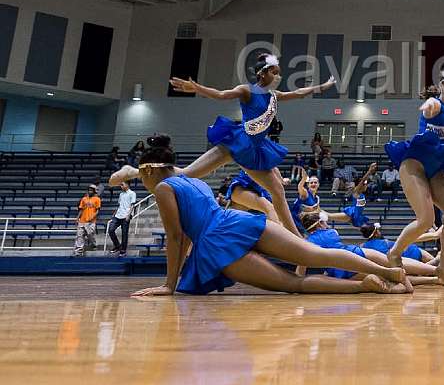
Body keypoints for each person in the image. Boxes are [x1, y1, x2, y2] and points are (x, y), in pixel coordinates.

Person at [129, 134, 407, 297]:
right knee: (313, 254)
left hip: (217, 242)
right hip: (236, 221)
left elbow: (178, 237)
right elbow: (186, 236)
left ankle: (364, 287)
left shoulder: (164, 188)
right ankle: (385, 271)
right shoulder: (196, 182)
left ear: (149, 170)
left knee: (294, 283)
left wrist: (169, 284)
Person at [112, 53, 334, 238]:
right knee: (188, 174)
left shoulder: (275, 96)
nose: (278, 76)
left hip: (255, 150)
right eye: (274, 72)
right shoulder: (247, 90)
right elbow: (221, 94)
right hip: (237, 142)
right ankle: (134, 171)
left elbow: (298, 93)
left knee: (277, 191)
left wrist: (322, 86)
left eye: (278, 72)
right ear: (262, 73)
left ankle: (296, 237)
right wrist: (197, 88)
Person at [383, 66, 444, 287]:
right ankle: (394, 253)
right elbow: (428, 108)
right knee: (426, 220)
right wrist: (428, 104)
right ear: (441, 85)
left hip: (437, 169)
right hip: (414, 165)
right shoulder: (434, 105)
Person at [299, 212, 438, 288]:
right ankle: (439, 270)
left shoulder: (307, 243)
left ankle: (432, 280)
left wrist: (298, 281)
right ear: (320, 223)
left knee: (387, 277)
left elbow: (301, 267)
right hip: (354, 254)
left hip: (339, 272)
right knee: (394, 263)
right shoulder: (332, 232)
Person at [360, 223, 436, 265]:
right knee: (431, 260)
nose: (380, 232)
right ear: (376, 234)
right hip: (407, 255)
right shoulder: (385, 242)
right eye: (378, 231)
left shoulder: (363, 246)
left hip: (387, 264)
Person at [106, 181, 136, 257]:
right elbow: (119, 205)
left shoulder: (132, 193)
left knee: (124, 233)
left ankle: (123, 250)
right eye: (120, 185)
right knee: (111, 230)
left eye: (122, 185)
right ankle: (117, 246)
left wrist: (128, 215)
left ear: (127, 184)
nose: (121, 186)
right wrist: (114, 214)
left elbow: (132, 205)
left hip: (126, 215)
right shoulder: (121, 194)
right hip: (118, 215)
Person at [73, 184, 102, 256]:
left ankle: (93, 244)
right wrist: (77, 218)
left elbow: (98, 210)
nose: (90, 191)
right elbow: (81, 209)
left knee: (90, 234)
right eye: (89, 190)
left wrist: (93, 216)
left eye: (91, 190)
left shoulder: (97, 199)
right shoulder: (84, 199)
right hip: (82, 220)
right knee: (80, 235)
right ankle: (79, 251)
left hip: (91, 221)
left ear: (94, 191)